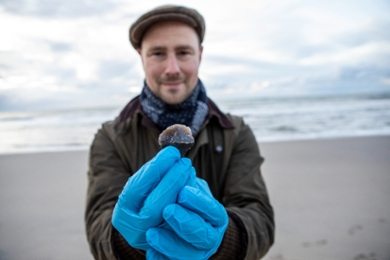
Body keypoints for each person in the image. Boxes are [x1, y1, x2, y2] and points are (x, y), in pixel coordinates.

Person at [85, 5, 274, 260]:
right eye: (158, 53)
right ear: (141, 56)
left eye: (183, 52)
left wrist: (222, 241)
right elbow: (98, 224)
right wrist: (129, 240)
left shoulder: (236, 132)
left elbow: (259, 216)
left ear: (200, 55)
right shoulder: (111, 137)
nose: (172, 68)